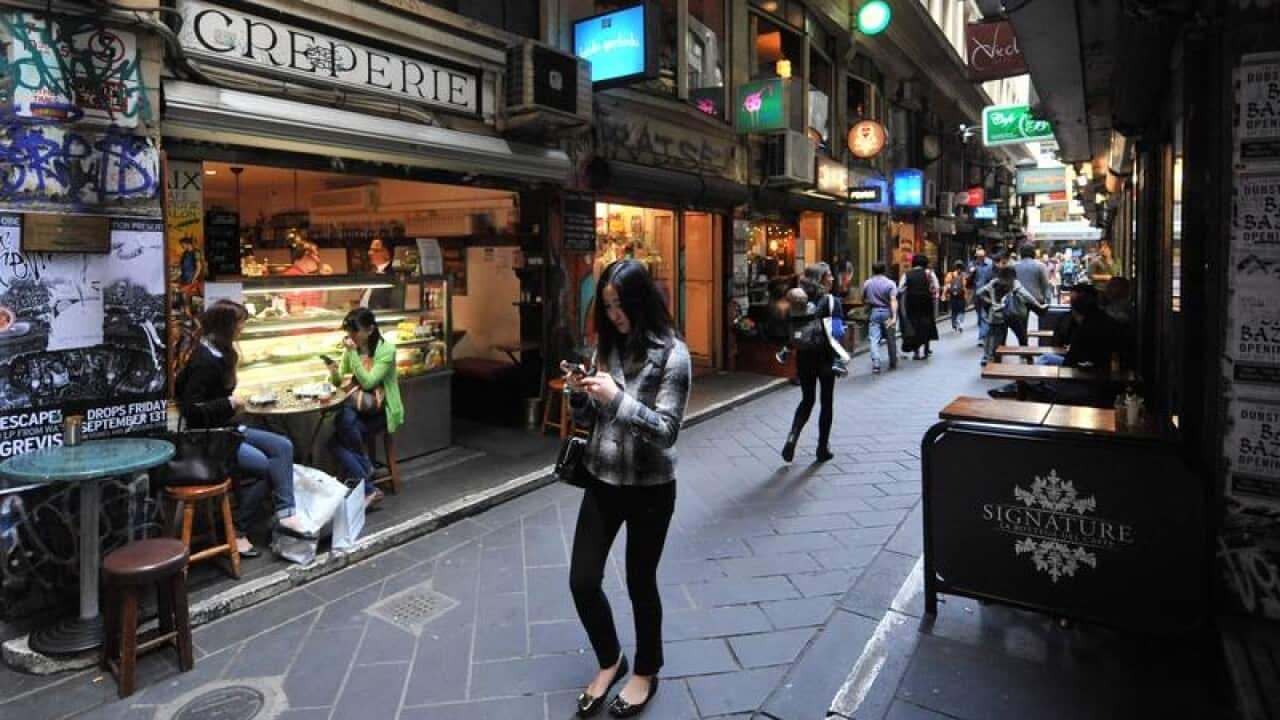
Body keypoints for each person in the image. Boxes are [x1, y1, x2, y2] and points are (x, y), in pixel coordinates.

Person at [566, 259, 691, 718]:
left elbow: (666, 430)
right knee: (582, 580)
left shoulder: (673, 354)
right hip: (602, 479)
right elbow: (588, 419)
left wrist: (616, 399)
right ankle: (609, 658)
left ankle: (646, 670)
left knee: (641, 582)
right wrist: (581, 394)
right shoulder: (606, 348)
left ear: (640, 301)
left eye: (620, 306)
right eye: (607, 306)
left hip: (651, 488)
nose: (614, 315)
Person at [175, 301, 309, 555]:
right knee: (266, 468)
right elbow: (191, 411)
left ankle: (286, 512)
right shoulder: (203, 360)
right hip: (209, 438)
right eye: (240, 323)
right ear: (225, 326)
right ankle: (238, 530)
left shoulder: (221, 351)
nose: (243, 329)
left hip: (228, 428)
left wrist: (229, 405)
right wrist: (228, 403)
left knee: (283, 446)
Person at [326, 308, 404, 510]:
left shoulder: (386, 350)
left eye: (355, 331)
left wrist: (352, 353)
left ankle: (365, 475)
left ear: (370, 330)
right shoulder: (352, 349)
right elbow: (339, 380)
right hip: (358, 406)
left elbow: (369, 383)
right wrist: (333, 371)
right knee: (341, 427)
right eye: (348, 332)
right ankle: (367, 473)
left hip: (381, 409)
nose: (350, 336)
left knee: (339, 433)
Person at [781, 263, 844, 463]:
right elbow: (837, 333)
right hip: (825, 357)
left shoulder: (799, 301)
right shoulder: (832, 301)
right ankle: (822, 447)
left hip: (804, 356)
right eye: (830, 276)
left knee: (807, 400)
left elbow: (790, 330)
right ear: (822, 279)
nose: (833, 279)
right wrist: (840, 358)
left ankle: (793, 436)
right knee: (826, 403)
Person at [977, 266, 1047, 365]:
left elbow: (979, 293)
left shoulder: (994, 282)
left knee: (995, 338)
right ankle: (1027, 358)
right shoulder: (1014, 283)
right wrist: (1039, 306)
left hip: (996, 315)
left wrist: (990, 302)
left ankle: (994, 360)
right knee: (1021, 336)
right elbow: (1027, 296)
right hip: (1011, 314)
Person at [898, 254, 939, 360]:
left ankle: (916, 352)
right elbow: (936, 287)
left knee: (914, 325)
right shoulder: (929, 273)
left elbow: (900, 288)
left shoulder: (907, 274)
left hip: (911, 302)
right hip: (926, 302)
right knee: (926, 324)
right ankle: (926, 350)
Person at [862, 262, 898, 374]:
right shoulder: (890, 283)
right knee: (891, 338)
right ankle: (892, 362)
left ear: (873, 270)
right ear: (884, 270)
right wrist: (894, 317)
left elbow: (863, 298)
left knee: (874, 338)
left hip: (874, 312)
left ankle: (876, 364)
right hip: (887, 312)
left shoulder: (867, 283)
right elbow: (893, 300)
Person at [359, 238, 398, 309]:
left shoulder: (392, 275)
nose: (370, 253)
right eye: (370, 249)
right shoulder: (372, 272)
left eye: (375, 250)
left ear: (387, 254)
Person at [968, 248, 995, 345]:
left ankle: (982, 336)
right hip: (976, 294)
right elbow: (969, 280)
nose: (979, 259)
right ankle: (985, 333)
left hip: (987, 294)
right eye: (978, 257)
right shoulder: (972, 265)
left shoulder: (991, 265)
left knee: (984, 315)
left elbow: (994, 278)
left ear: (984, 256)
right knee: (980, 315)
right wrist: (971, 273)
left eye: (981, 257)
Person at [943, 261, 968, 333]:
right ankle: (959, 323)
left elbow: (946, 285)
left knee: (954, 311)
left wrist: (944, 294)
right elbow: (965, 286)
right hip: (961, 296)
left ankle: (954, 325)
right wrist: (966, 297)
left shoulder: (950, 275)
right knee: (961, 310)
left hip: (952, 296)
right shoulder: (964, 275)